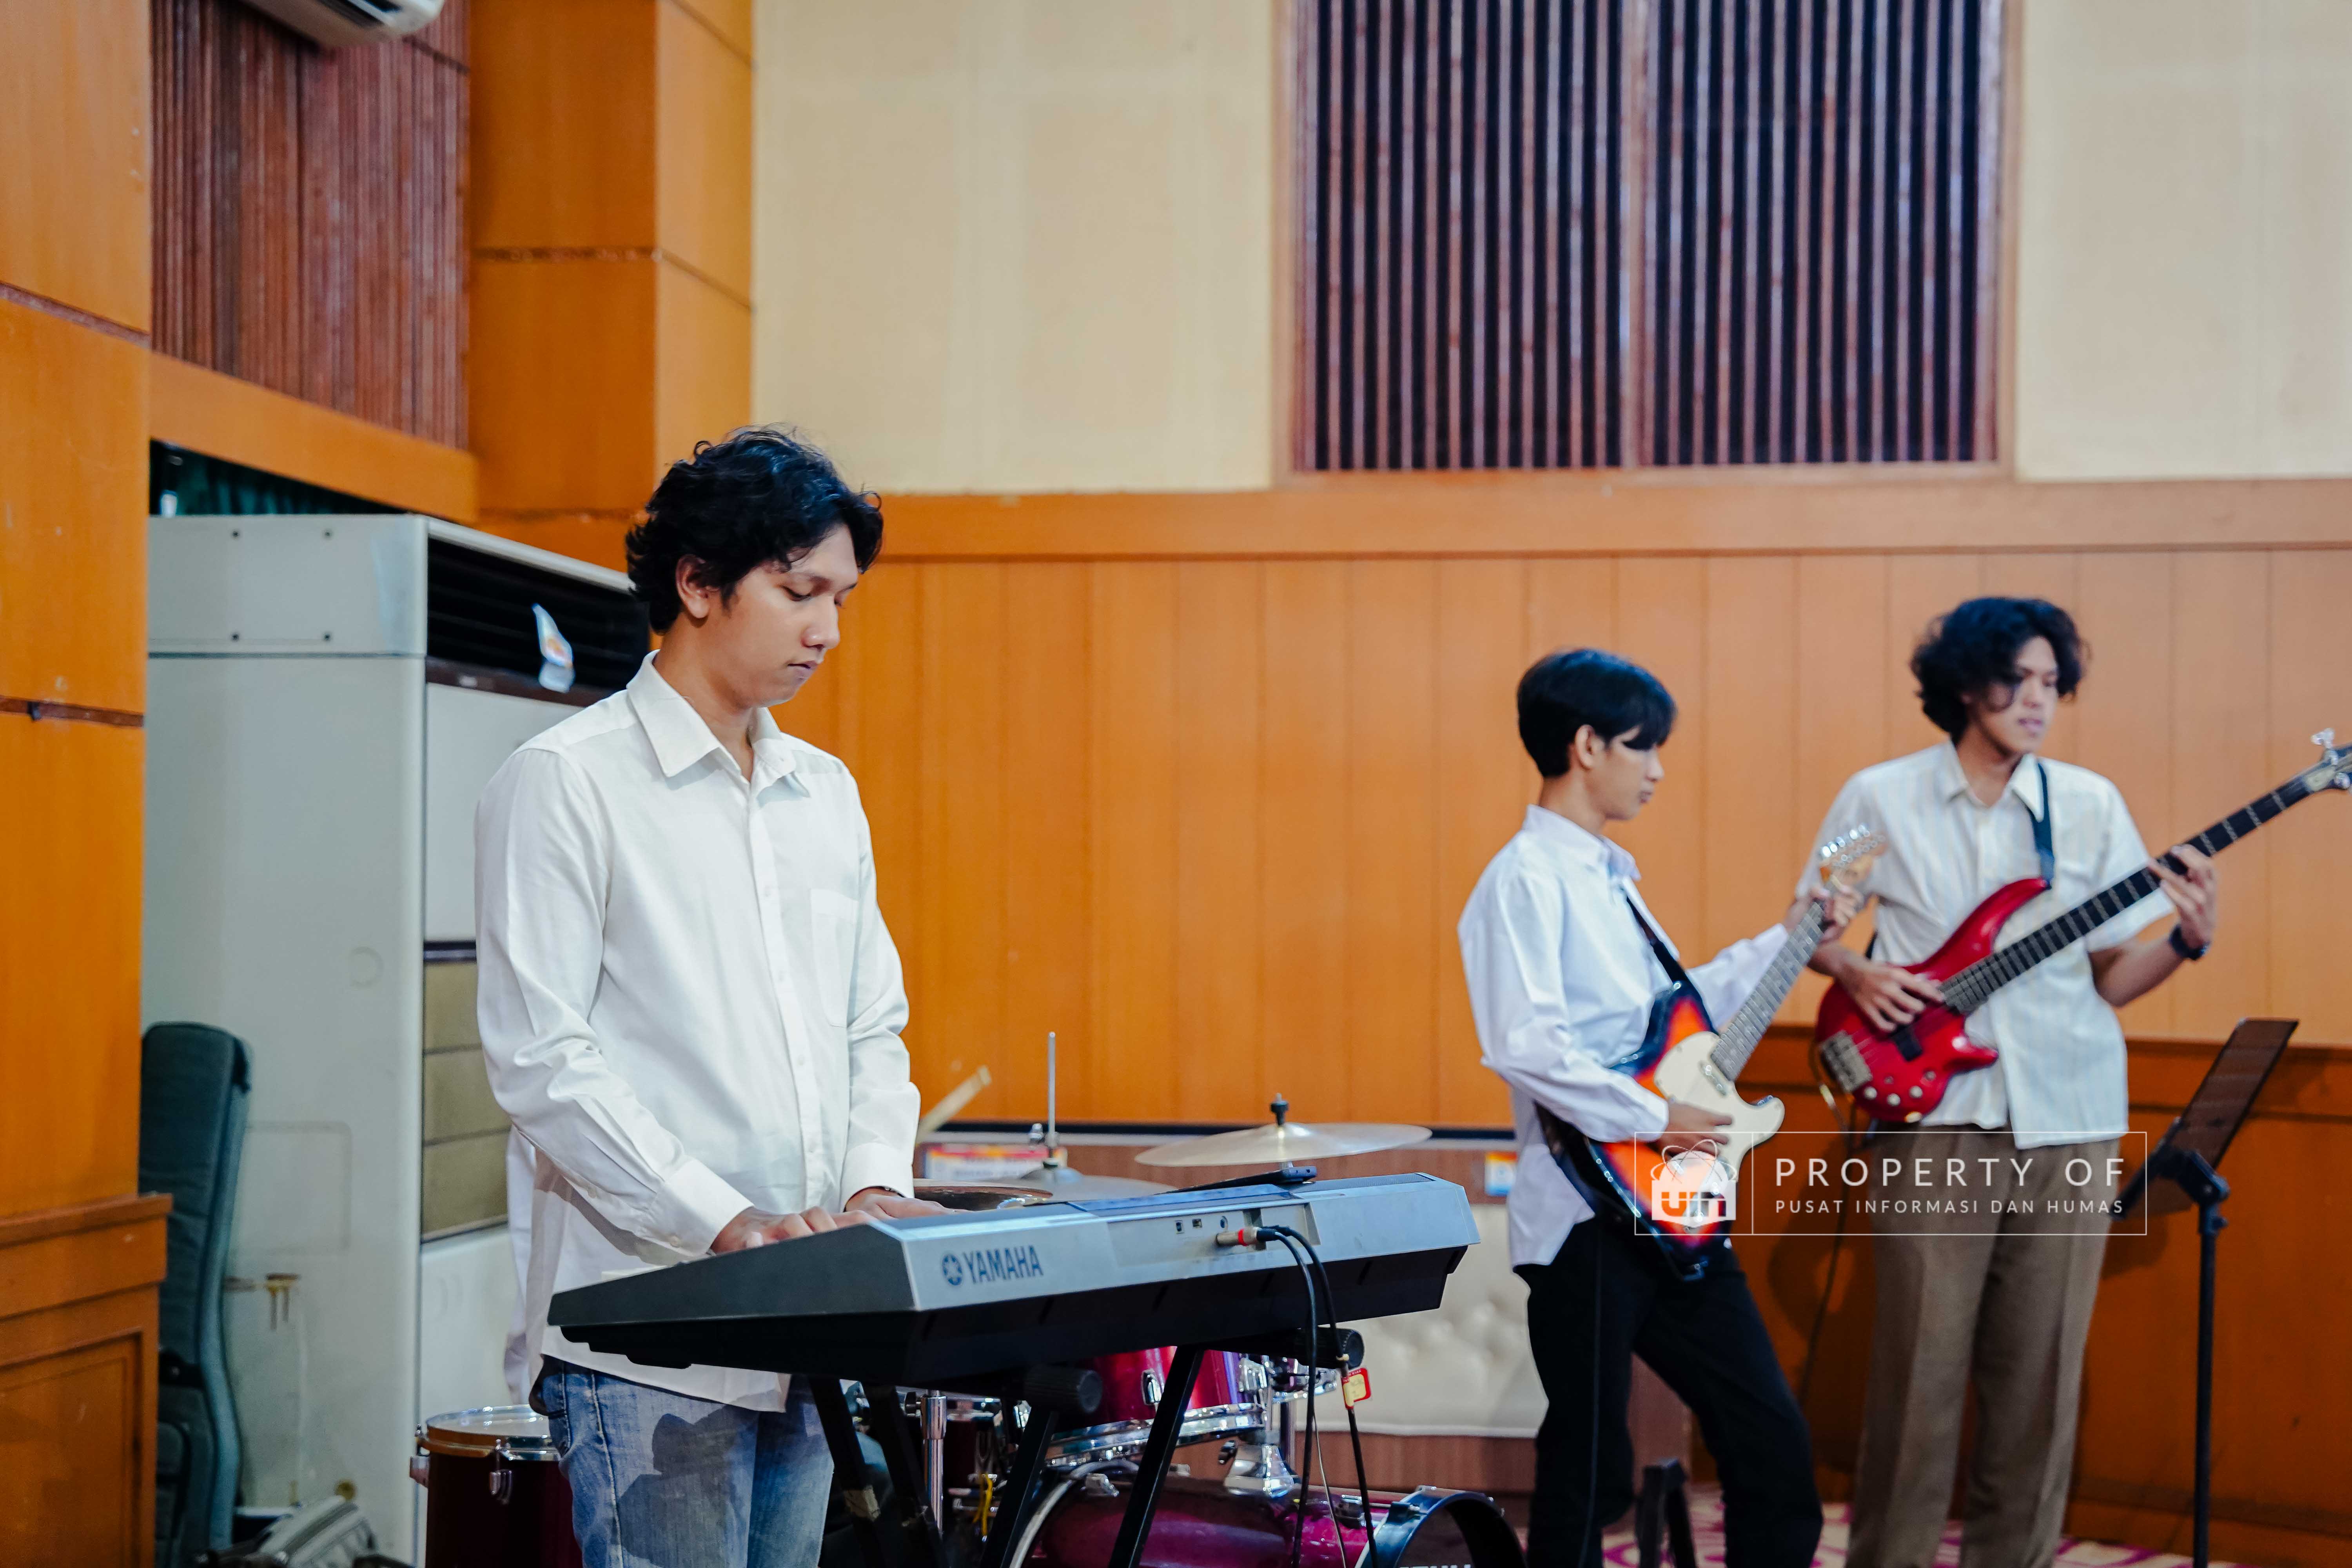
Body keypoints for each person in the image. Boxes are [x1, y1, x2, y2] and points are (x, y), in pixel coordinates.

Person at [475, 428, 944, 1567]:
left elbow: (870, 1024)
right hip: (652, 1328)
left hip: (812, 1319)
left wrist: (873, 1185)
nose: (827, 630)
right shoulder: (566, 781)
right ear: (696, 583)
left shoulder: (824, 791)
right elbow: (543, 1060)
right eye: (799, 592)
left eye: (840, 599)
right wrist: (727, 1223)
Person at [1802, 598, 2219, 1568]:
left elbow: (2113, 976)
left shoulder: (2090, 804)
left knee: (2039, 1379)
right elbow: (1808, 924)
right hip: (1933, 1115)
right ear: (1964, 684)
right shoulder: (1879, 796)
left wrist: (2188, 942)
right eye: (2017, 679)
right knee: (1918, 1374)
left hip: (2071, 1117)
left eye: (2051, 683)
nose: (2038, 700)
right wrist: (1855, 969)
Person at [1459, 648, 1854, 1568]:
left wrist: (1791, 936)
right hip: (1584, 1214)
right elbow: (1525, 1044)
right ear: (1587, 745)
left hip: (1671, 1204)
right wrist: (1651, 1116)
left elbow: (1686, 1017)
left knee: (1769, 1439)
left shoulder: (1613, 879)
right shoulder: (1522, 879)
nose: (1659, 769)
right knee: (1590, 1468)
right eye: (1644, 746)